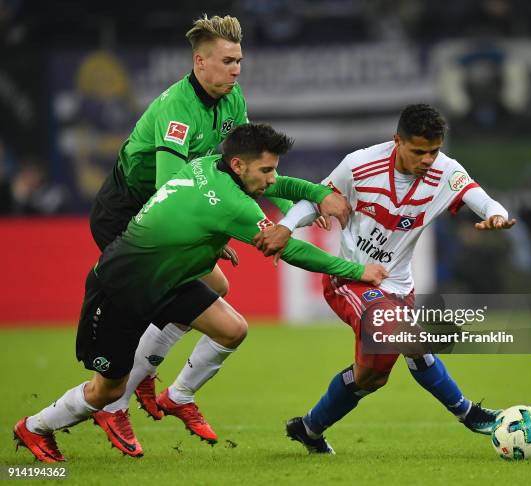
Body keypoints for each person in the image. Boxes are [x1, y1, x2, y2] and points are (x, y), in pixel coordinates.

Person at [13, 123, 389, 463]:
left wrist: (316, 193)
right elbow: (290, 249)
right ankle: (35, 427)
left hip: (166, 280)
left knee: (231, 328)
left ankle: (176, 396)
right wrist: (358, 270)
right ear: (239, 166)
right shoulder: (231, 203)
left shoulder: (210, 163)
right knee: (105, 393)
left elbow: (283, 185)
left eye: (274, 168)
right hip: (119, 290)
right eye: (266, 170)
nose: (273, 180)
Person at [86, 14, 305, 454]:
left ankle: (141, 378)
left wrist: (291, 210)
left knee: (211, 289)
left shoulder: (233, 100)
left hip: (174, 214)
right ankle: (114, 403)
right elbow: (170, 189)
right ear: (199, 62)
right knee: (173, 305)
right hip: (131, 216)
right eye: (227, 61)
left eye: (239, 60)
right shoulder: (176, 108)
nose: (236, 70)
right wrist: (206, 224)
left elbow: (246, 167)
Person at [253, 104, 516, 454]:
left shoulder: (446, 172)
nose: (427, 159)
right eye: (419, 151)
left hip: (398, 286)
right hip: (349, 279)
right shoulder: (360, 164)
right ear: (397, 141)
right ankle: (468, 413)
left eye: (434, 151)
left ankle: (310, 429)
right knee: (410, 340)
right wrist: (285, 227)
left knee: (371, 377)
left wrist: (497, 215)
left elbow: (480, 198)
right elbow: (315, 200)